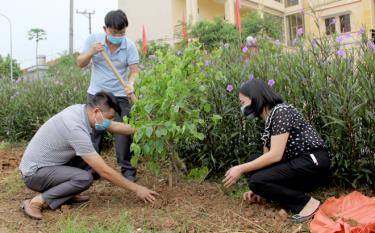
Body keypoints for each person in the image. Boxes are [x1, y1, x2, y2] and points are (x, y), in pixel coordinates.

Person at [19, 92, 158, 220]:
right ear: (96, 111)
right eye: (108, 117)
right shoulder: (75, 128)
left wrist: (146, 129)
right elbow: (104, 171)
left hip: (48, 165)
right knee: (84, 178)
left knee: (90, 158)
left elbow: (114, 126)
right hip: (34, 174)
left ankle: (65, 194)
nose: (108, 122)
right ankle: (36, 201)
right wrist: (137, 189)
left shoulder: (82, 111)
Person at [223, 79, 331, 223]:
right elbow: (266, 157)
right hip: (297, 163)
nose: (242, 108)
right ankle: (271, 192)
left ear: (255, 97)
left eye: (243, 103)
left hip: (312, 161)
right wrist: (258, 190)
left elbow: (275, 155)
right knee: (253, 163)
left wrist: (240, 168)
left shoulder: (281, 111)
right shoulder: (268, 122)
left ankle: (307, 204)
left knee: (255, 178)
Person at [77, 9, 139, 181]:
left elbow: (134, 71)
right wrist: (91, 52)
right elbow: (80, 63)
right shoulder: (93, 40)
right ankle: (91, 170)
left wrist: (131, 84)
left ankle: (128, 171)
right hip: (96, 94)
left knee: (124, 134)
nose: (118, 36)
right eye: (114, 32)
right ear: (105, 29)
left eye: (122, 32)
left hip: (120, 95)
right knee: (94, 133)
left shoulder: (129, 46)